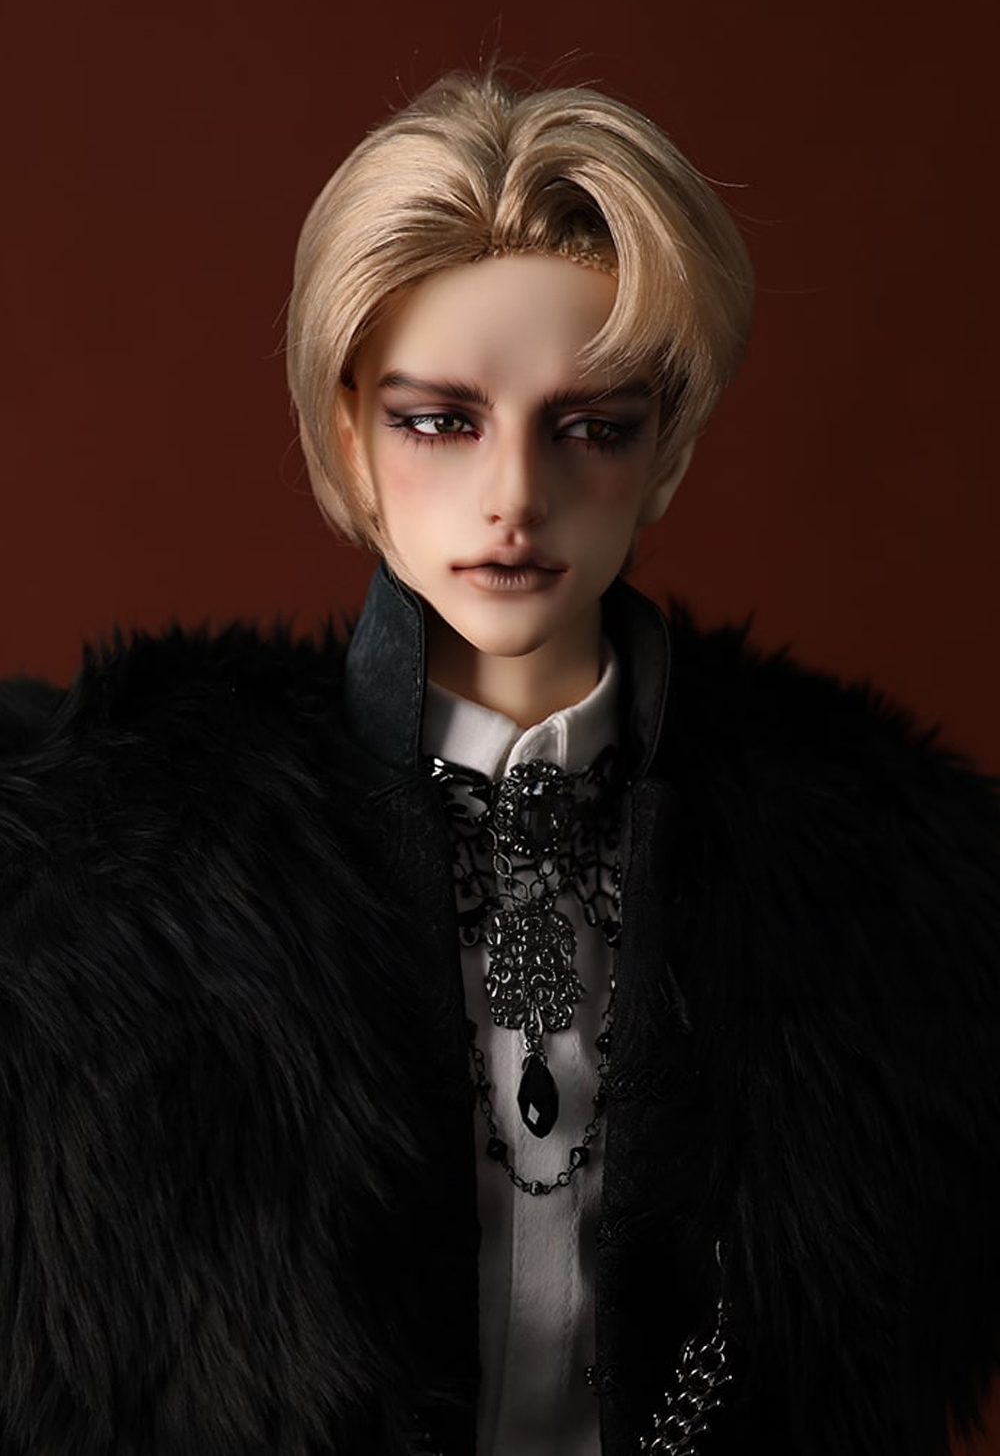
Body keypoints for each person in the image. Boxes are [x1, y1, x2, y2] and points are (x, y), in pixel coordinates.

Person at [0, 71, 998, 1456]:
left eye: (593, 428)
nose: (514, 497)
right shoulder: (105, 876)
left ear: (666, 449)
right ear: (348, 433)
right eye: (439, 420)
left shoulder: (891, 891)